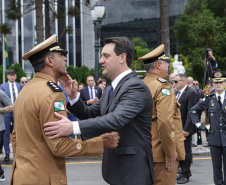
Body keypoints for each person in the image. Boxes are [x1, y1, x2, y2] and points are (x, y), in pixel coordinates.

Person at [43, 37, 155, 185]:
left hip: (132, 172)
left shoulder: (135, 87)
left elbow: (116, 119)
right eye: (101, 56)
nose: (101, 60)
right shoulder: (111, 89)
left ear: (122, 58)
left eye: (106, 56)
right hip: (117, 171)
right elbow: (89, 113)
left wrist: (73, 127)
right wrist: (73, 97)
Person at [10, 34, 119, 185]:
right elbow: (60, 146)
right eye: (61, 55)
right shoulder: (52, 94)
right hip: (43, 178)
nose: (65, 59)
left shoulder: (26, 90)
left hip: (22, 176)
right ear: (49, 61)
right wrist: (100, 142)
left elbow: (15, 137)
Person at [138, 44, 185, 185]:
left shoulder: (141, 84)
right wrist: (170, 152)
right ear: (158, 65)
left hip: (144, 150)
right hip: (161, 154)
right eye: (166, 64)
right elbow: (165, 122)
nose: (168, 67)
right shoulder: (162, 86)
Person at [190, 71, 226, 185]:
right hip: (214, 138)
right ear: (213, 85)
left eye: (221, 82)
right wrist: (199, 125)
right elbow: (193, 111)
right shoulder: (209, 99)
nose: (218, 84)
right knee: (216, 168)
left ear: (225, 83)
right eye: (216, 82)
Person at [174, 74, 197, 184]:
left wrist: (186, 129)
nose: (174, 83)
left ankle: (186, 174)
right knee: (179, 151)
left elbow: (191, 112)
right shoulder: (178, 92)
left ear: (183, 81)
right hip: (177, 127)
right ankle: (182, 171)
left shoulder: (190, 92)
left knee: (186, 151)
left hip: (184, 128)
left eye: (176, 81)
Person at [0, 69, 22, 161]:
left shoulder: (20, 86)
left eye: (13, 75)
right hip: (6, 113)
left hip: (17, 112)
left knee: (17, 133)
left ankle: (17, 152)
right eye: (10, 75)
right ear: (7, 76)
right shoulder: (2, 86)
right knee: (6, 133)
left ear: (16, 76)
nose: (12, 76)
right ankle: (7, 153)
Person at [0, 91, 13, 182]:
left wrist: (0, 110)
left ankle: (1, 173)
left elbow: (12, 106)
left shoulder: (0, 93)